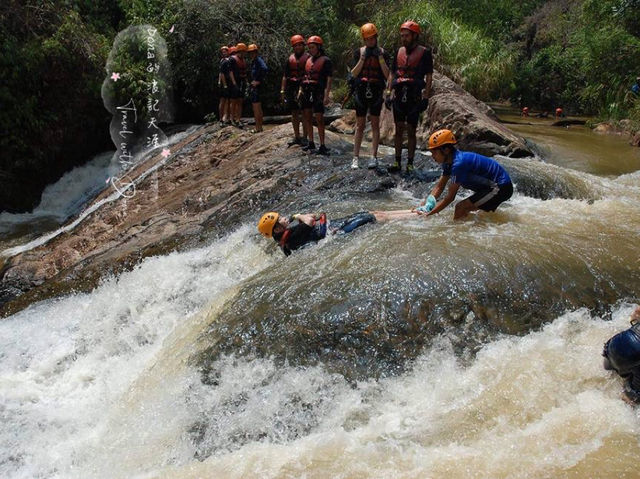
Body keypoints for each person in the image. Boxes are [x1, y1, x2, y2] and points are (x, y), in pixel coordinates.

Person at [417, 129, 513, 219]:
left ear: (446, 150)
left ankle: (456, 234)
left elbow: (450, 198)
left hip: (500, 187)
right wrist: (426, 205)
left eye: (434, 153)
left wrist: (429, 214)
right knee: (475, 214)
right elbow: (439, 187)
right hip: (488, 188)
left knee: (460, 207)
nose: (432, 156)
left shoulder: (459, 164)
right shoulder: (448, 162)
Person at [257, 209, 413, 256]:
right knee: (375, 217)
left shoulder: (283, 238)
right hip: (337, 231)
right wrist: (297, 216)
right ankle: (417, 214)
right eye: (281, 219)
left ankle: (411, 211)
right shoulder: (292, 237)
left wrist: (295, 218)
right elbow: (310, 220)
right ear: (277, 229)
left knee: (373, 213)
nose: (285, 218)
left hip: (333, 227)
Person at [387, 20, 433, 174]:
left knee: (411, 129)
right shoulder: (399, 51)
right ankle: (397, 161)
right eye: (402, 36)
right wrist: (388, 93)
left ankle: (410, 163)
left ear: (414, 36)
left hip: (414, 96)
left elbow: (429, 76)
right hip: (399, 95)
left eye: (407, 36)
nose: (404, 38)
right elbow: (392, 74)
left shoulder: (425, 53)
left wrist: (425, 97)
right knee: (398, 129)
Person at [350, 23, 391, 170]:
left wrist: (380, 59)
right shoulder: (358, 52)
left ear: (376, 37)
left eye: (372, 38)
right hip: (361, 91)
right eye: (367, 39)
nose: (370, 41)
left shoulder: (383, 53)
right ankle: (355, 157)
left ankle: (373, 157)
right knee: (360, 125)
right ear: (364, 39)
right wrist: (362, 58)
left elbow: (387, 76)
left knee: (374, 124)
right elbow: (353, 74)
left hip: (375, 91)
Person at [300, 35, 333, 156]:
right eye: (309, 48)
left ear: (319, 47)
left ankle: (323, 145)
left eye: (313, 47)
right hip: (307, 91)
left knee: (319, 119)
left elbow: (329, 79)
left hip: (318, 92)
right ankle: (311, 142)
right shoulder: (308, 60)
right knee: (307, 117)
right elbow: (304, 76)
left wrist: (326, 95)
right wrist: (300, 90)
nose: (311, 50)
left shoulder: (326, 61)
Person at [602, 305, 640, 404]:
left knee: (608, 370)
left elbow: (637, 311)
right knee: (635, 397)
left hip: (623, 340)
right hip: (636, 354)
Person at [281, 35, 310, 147]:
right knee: (294, 113)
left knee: (305, 113)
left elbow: (308, 74)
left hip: (304, 86)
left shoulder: (308, 58)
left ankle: (305, 137)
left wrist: (301, 88)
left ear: (303, 46)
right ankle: (297, 136)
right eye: (295, 45)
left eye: (300, 45)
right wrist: (282, 91)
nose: (298, 47)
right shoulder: (290, 59)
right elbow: (285, 76)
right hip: (292, 87)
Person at [247, 44, 268, 133]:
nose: (252, 54)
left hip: (257, 87)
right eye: (250, 53)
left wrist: (258, 81)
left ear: (256, 52)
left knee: (256, 107)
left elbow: (265, 69)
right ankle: (259, 127)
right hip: (255, 87)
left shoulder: (259, 61)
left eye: (253, 52)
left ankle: (258, 128)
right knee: (257, 107)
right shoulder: (253, 61)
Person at [228, 43, 249, 126]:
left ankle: (238, 119)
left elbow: (245, 73)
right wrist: (234, 83)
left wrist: (246, 82)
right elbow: (230, 72)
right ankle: (232, 119)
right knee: (233, 101)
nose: (244, 53)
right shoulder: (232, 59)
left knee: (240, 101)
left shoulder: (243, 60)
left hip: (241, 82)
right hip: (235, 83)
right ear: (240, 51)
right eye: (243, 52)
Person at [218, 46, 231, 124]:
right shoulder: (224, 61)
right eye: (223, 52)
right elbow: (221, 73)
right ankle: (223, 118)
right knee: (224, 100)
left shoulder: (224, 60)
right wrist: (223, 84)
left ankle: (224, 117)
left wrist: (219, 82)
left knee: (226, 100)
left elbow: (220, 72)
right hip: (225, 83)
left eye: (225, 51)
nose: (224, 53)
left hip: (225, 82)